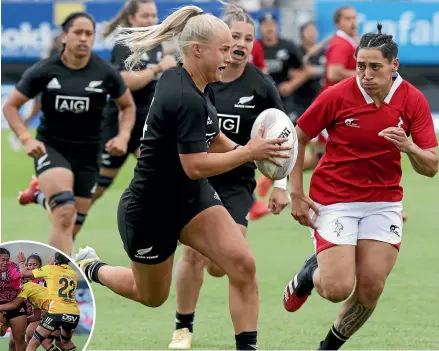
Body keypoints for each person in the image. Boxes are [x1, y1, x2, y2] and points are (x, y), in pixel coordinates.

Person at [74, 5, 290, 350]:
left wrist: (248, 152)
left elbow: (213, 136)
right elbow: (196, 164)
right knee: (150, 296)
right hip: (150, 210)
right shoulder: (183, 95)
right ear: (197, 50)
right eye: (224, 48)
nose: (231, 53)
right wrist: (250, 153)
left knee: (243, 265)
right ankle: (91, 267)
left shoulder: (195, 80)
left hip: (191, 198)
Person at [283, 24, 438, 350]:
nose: (365, 74)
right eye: (360, 66)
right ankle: (311, 273)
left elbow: (431, 166)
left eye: (375, 67)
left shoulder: (412, 100)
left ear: (393, 65)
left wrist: (409, 148)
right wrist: (294, 192)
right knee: (337, 287)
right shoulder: (337, 95)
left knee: (370, 289)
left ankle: (328, 348)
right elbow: (297, 137)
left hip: (383, 203)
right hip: (334, 199)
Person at [167, 4, 290, 349]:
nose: (241, 43)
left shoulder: (261, 85)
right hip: (197, 177)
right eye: (234, 36)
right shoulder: (199, 77)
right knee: (192, 254)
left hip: (236, 180)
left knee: (223, 264)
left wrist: (279, 186)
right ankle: (183, 329)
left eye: (247, 39)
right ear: (219, 40)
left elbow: (283, 137)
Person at [3, 12, 136, 254]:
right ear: (65, 36)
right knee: (64, 212)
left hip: (89, 155)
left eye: (89, 34)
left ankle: (41, 197)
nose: (84, 38)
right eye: (78, 33)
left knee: (72, 224)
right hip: (51, 149)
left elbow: (127, 106)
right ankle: (56, 287)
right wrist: (25, 137)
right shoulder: (44, 70)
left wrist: (123, 135)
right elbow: (10, 106)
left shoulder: (104, 72)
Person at [93, 0, 177, 202]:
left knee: (163, 177)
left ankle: (152, 224)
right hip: (119, 123)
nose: (151, 20)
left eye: (154, 15)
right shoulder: (124, 44)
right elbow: (125, 81)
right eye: (145, 16)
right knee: (97, 188)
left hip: (147, 124)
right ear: (132, 19)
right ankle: (52, 200)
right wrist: (158, 68)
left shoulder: (157, 44)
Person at [18, 252, 80, 351]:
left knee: (33, 342)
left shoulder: (50, 269)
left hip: (56, 311)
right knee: (66, 342)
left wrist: (21, 261)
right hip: (73, 313)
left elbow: (24, 274)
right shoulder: (73, 274)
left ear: (55, 261)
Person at [0, 248, 27, 351]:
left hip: (17, 305)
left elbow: (20, 275)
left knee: (19, 339)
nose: (5, 262)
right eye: (2, 260)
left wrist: (21, 263)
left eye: (7, 260)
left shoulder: (14, 267)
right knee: (1, 332)